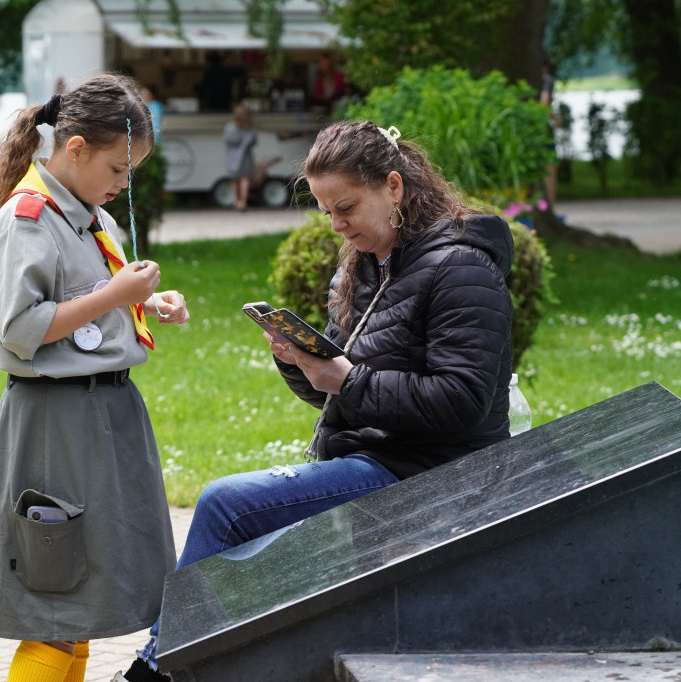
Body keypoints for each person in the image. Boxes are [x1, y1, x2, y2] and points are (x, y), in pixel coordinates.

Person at [115, 120, 514, 682]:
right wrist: (298, 359)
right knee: (234, 511)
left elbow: (463, 400)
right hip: (375, 457)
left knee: (227, 503)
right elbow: (335, 392)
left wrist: (347, 380)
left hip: (433, 470)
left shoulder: (462, 267)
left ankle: (157, 670)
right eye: (327, 211)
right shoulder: (370, 264)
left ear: (394, 187)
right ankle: (178, 663)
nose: (337, 225)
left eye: (346, 207)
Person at [0, 73, 191, 682]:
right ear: (75, 149)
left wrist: (144, 300)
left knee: (80, 600)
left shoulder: (85, 215)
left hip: (102, 416)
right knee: (54, 597)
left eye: (130, 173)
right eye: (118, 170)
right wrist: (114, 293)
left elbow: (86, 296)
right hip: (55, 421)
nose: (124, 185)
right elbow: (22, 328)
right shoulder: (28, 219)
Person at [223, 104, 257, 211]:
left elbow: (227, 140)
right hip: (246, 156)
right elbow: (254, 141)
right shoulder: (251, 127)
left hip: (233, 157)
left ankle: (237, 200)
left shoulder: (230, 127)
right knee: (245, 179)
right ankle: (243, 202)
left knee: (235, 179)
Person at [540, 54, 559, 208]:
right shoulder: (546, 79)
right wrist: (555, 119)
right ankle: (550, 206)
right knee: (550, 167)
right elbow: (544, 103)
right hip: (542, 127)